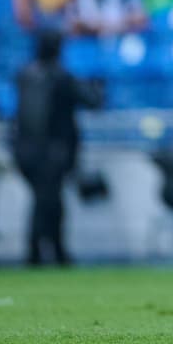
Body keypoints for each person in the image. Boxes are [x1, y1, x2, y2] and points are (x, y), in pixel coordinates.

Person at [13, 29, 101, 265]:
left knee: (45, 201)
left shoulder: (24, 76)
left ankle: (44, 251)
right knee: (48, 203)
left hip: (25, 150)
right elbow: (93, 101)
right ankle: (45, 253)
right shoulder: (61, 77)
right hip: (52, 152)